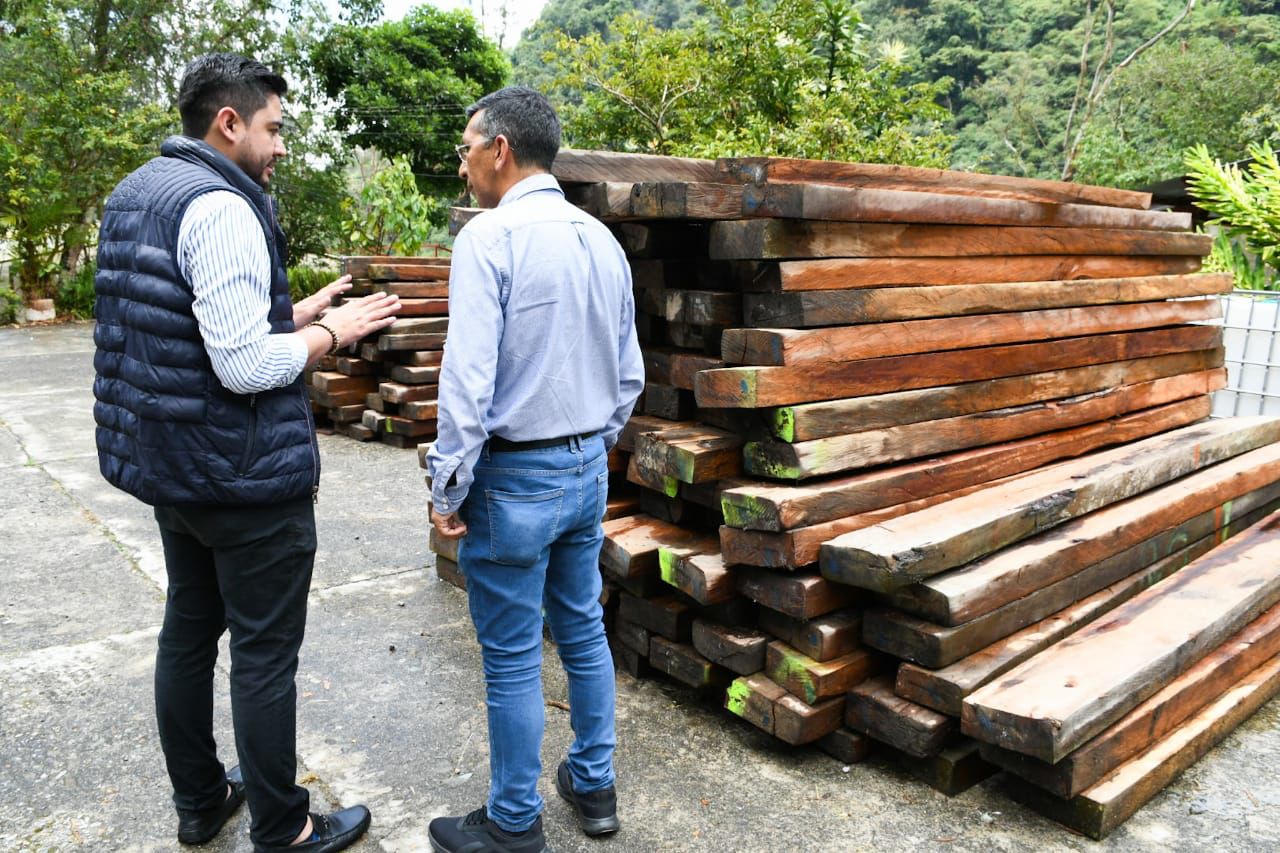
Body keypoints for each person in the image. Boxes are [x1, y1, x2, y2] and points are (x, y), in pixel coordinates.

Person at [92, 53, 401, 852]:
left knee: (188, 633)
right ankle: (285, 826)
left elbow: (183, 328)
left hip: (174, 470)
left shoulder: (137, 194)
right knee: (264, 657)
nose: (282, 147)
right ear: (227, 123)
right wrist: (334, 332)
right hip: (244, 480)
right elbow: (242, 364)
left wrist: (296, 307)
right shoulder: (222, 206)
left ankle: (200, 801)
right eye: (274, 128)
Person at [425, 86, 644, 853]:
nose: (463, 166)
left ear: (500, 149)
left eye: (465, 149)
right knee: (582, 625)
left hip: (515, 478)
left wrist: (448, 485)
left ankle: (514, 821)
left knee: (514, 651)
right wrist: (590, 446)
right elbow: (628, 375)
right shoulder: (599, 240)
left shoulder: (490, 239)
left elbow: (468, 382)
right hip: (586, 467)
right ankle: (593, 781)